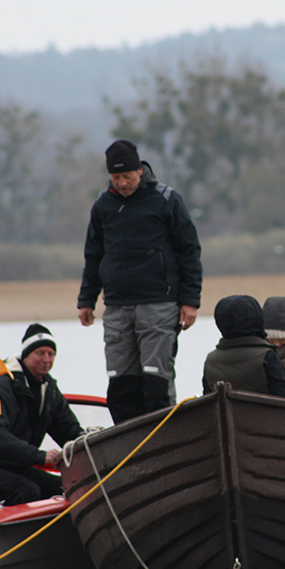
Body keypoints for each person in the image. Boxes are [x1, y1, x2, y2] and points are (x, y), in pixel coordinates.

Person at [78, 139, 203, 425]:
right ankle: (128, 442)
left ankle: (164, 439)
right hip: (117, 307)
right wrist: (86, 299)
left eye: (127, 176)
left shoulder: (166, 199)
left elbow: (189, 251)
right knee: (121, 384)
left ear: (140, 171)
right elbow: (93, 255)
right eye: (116, 177)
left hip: (159, 304)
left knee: (156, 381)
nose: (122, 183)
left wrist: (190, 300)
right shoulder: (103, 204)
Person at [0, 323, 85, 505]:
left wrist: (89, 444)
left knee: (66, 487)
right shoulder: (2, 383)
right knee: (27, 491)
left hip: (11, 464)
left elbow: (68, 430)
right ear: (26, 355)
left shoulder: (49, 390)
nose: (46, 359)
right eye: (40, 353)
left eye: (51, 354)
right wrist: (39, 456)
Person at [203, 295, 285, 398]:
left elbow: (208, 400)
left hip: (225, 409)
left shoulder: (211, 360)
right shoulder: (266, 356)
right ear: (257, 318)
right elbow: (284, 399)